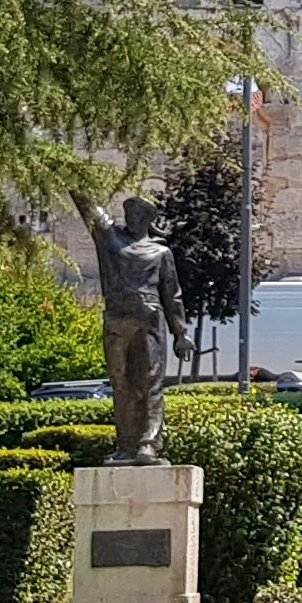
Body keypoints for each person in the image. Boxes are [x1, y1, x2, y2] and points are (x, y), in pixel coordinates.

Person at [69, 191, 196, 464]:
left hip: (148, 318)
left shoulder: (161, 252)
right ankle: (126, 445)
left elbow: (172, 294)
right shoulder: (111, 241)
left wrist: (181, 334)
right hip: (116, 319)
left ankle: (147, 443)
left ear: (148, 219)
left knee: (150, 383)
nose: (131, 217)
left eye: (138, 213)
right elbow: (89, 207)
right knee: (121, 382)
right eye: (128, 213)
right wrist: (71, 175)